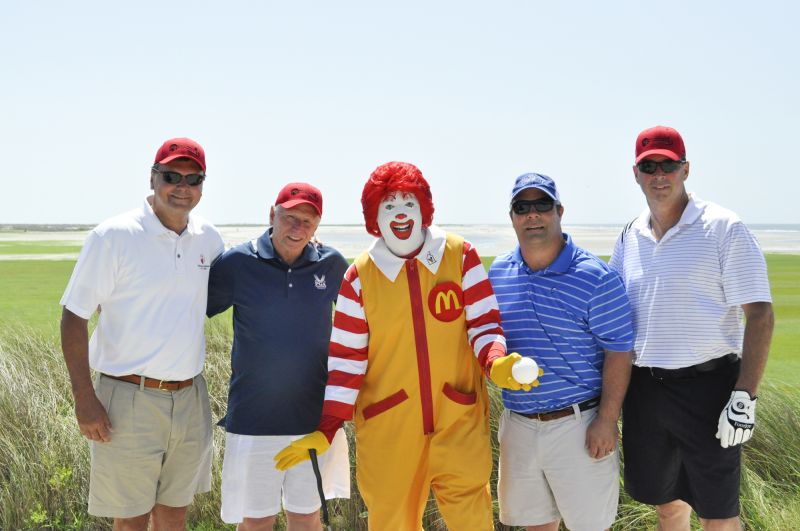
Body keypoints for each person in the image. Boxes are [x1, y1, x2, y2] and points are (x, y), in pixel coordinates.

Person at [274, 161, 527, 530]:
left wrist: (496, 362)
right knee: (391, 520)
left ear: (424, 208)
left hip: (458, 416)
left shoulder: (461, 255)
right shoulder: (360, 275)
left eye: (408, 203)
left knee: (471, 517)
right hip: (387, 427)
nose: (400, 214)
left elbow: (484, 324)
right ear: (375, 217)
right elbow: (348, 359)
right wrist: (327, 426)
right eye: (389, 206)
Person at [610, 126, 774, 530]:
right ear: (636, 174)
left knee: (718, 514)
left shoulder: (723, 227)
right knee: (667, 505)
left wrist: (744, 397)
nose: (659, 174)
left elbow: (760, 314)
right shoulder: (629, 236)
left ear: (686, 170)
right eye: (649, 166)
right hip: (645, 391)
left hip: (709, 390)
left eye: (669, 164)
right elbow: (614, 321)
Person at [60, 137, 224, 529]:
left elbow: (249, 269)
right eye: (171, 176)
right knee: (131, 517)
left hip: (189, 397)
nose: (182, 187)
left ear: (202, 185)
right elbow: (73, 316)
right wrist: (85, 397)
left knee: (174, 513)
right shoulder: (113, 236)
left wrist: (307, 246)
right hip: (127, 397)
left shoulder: (209, 238)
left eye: (193, 179)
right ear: (153, 178)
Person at [488, 173, 635, 531]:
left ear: (559, 211)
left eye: (542, 205)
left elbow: (619, 351)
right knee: (535, 525)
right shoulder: (499, 273)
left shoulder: (595, 277)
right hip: (518, 424)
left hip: (579, 424)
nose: (532, 215)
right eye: (522, 207)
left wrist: (606, 420)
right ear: (512, 217)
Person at [207, 182, 350, 530]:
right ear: (272, 215)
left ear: (317, 226)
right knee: (255, 522)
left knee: (306, 519)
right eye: (290, 218)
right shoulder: (237, 262)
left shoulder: (331, 265)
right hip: (253, 421)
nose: (297, 228)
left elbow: (364, 323)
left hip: (313, 422)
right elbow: (189, 312)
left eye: (307, 222)